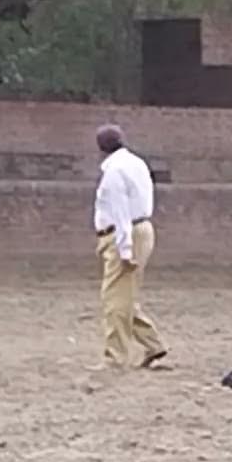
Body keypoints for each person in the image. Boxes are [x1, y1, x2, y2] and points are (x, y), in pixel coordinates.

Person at [92, 124, 167, 369]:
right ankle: (152, 343)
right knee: (126, 295)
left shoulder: (114, 172)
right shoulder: (136, 163)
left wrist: (124, 250)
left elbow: (120, 213)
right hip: (142, 230)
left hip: (124, 234)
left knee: (114, 298)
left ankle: (115, 357)